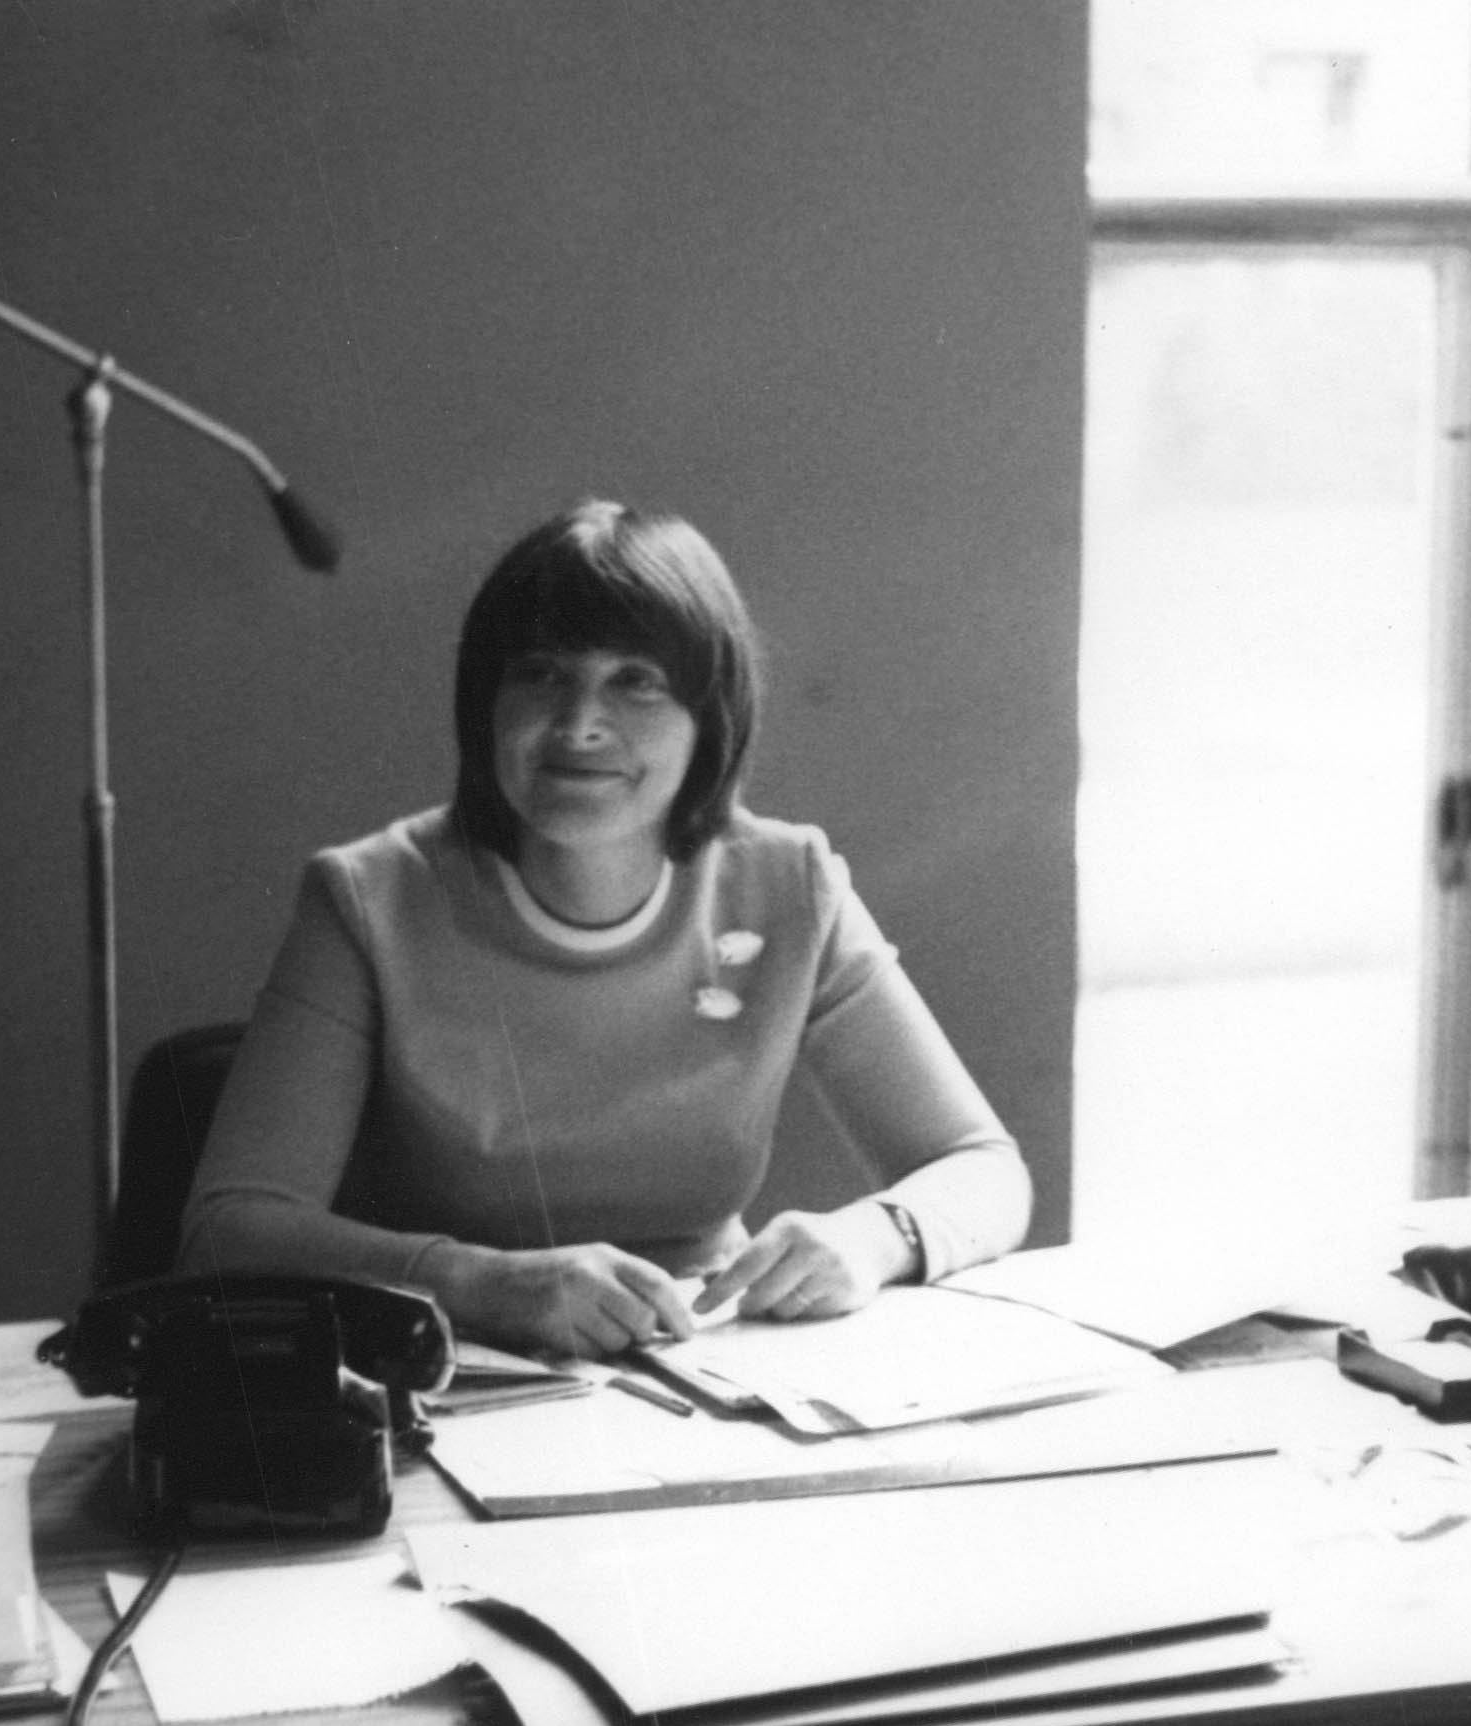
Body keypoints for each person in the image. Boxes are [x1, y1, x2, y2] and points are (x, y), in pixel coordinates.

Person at [177, 499, 1031, 1357]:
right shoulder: (369, 897)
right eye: (541, 673)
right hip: (449, 1365)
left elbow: (984, 1166)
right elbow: (229, 1228)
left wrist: (874, 1237)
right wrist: (476, 1281)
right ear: (485, 704)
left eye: (636, 680)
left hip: (705, 1361)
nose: (579, 722)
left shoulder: (789, 884)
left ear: (709, 717)